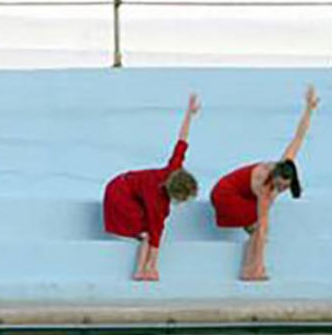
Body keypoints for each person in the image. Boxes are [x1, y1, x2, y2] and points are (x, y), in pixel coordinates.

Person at [210, 85, 319, 281]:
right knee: (261, 228)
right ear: (274, 176)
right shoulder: (265, 185)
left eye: (285, 187)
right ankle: (253, 270)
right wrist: (261, 267)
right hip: (224, 195)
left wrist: (309, 108)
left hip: (240, 195)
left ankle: (248, 269)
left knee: (258, 230)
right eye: (279, 185)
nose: (281, 189)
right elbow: (262, 225)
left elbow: (298, 137)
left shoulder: (285, 164)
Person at [102, 93, 201, 281]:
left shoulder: (174, 168)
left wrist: (190, 113)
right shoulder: (158, 200)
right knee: (147, 234)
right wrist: (153, 265)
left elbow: (182, 141)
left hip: (129, 187)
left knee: (149, 230)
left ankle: (146, 269)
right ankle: (141, 271)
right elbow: (157, 234)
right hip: (118, 193)